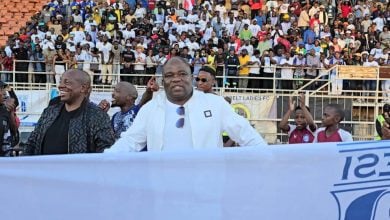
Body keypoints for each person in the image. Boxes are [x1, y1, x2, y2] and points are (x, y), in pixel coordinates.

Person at [105, 57, 267, 152]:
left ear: (191, 77)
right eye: (169, 75)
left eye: (182, 74)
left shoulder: (215, 104)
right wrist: (103, 161)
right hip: (163, 194)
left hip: (207, 193)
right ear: (164, 80)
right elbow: (130, 142)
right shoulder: (150, 109)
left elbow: (246, 134)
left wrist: (272, 160)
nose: (176, 78)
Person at [24, 69, 115, 155]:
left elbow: (106, 151)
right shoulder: (49, 112)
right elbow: (32, 143)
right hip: (43, 170)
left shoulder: (97, 116)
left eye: (67, 82)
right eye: (60, 81)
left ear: (83, 88)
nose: (60, 86)